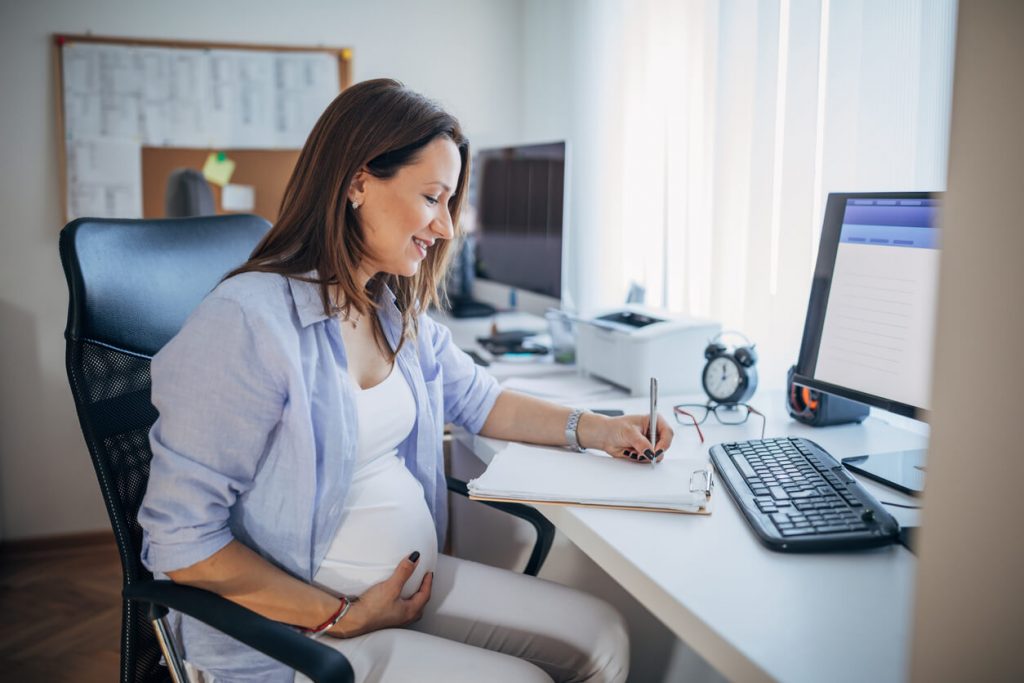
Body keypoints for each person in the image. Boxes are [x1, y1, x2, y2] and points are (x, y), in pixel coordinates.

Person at [138, 78, 675, 683]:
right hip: (295, 630)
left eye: (449, 204)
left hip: (399, 588)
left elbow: (483, 401)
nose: (445, 228)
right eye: (432, 198)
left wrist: (600, 430)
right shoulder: (247, 321)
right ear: (359, 181)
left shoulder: (388, 309)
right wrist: (340, 614)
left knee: (603, 637)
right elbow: (182, 541)